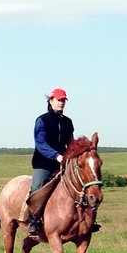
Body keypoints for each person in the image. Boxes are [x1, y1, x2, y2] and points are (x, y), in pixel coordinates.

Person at [27, 88, 74, 236]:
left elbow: (71, 142)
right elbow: (40, 143)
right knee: (37, 186)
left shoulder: (67, 122)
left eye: (63, 100)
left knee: (80, 184)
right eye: (59, 100)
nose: (61, 103)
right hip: (44, 163)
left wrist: (72, 155)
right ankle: (33, 221)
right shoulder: (42, 120)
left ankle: (85, 220)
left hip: (63, 162)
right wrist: (56, 155)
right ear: (51, 101)